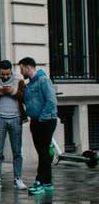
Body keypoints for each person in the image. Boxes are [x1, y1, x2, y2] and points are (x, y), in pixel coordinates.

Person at [0, 60, 27, 191]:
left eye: (8, 74)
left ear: (11, 71)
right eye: (3, 74)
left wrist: (13, 91)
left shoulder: (19, 80)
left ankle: (18, 179)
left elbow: (26, 97)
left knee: (17, 151)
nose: (5, 76)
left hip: (16, 118)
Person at [19, 57, 59, 195]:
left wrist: (42, 118)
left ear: (28, 67)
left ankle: (39, 182)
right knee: (43, 153)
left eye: (21, 69)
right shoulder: (30, 84)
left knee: (43, 153)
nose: (21, 72)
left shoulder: (44, 80)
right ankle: (47, 182)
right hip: (35, 121)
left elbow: (51, 101)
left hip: (46, 121)